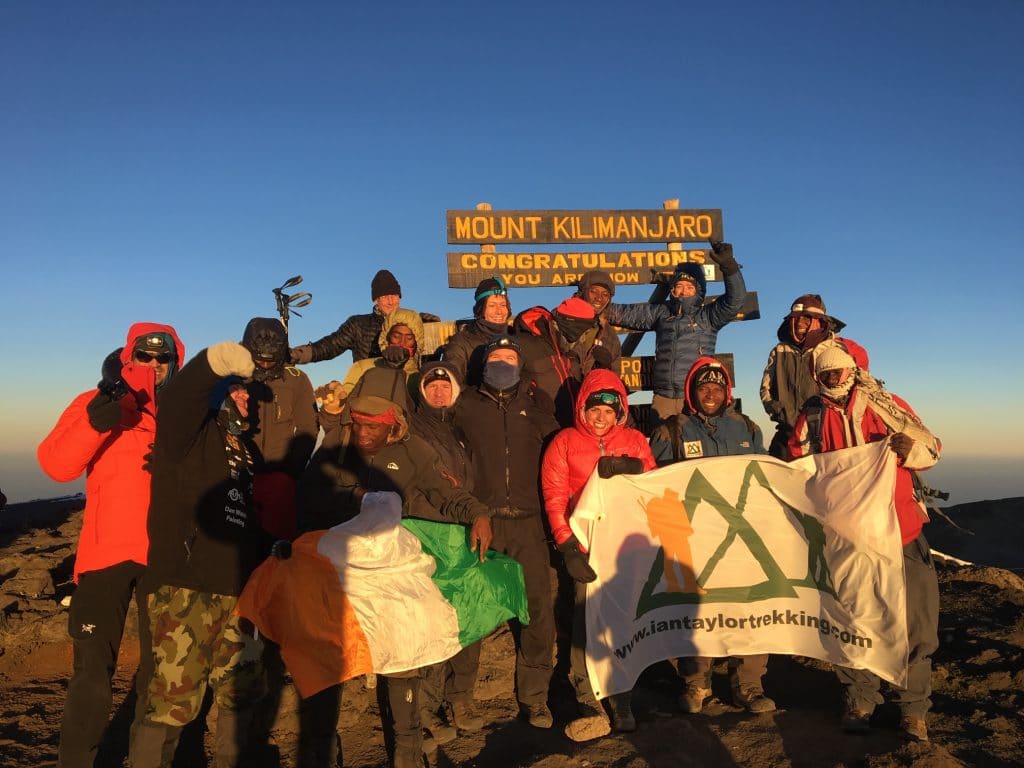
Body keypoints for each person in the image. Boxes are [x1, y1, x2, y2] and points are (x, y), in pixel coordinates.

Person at [298, 374, 494, 768]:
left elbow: (445, 490)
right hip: (337, 568)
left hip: (388, 569)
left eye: (374, 427)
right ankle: (321, 751)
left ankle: (406, 753)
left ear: (393, 427)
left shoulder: (412, 451)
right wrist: (352, 496)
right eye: (359, 425)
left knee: (402, 660)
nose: (364, 433)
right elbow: (308, 494)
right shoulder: (337, 447)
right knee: (329, 661)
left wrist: (477, 512)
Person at [38, 324, 185, 768]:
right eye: (145, 356)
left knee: (163, 676)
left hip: (167, 557)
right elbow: (56, 465)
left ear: (174, 364)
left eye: (164, 359)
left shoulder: (188, 411)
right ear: (128, 357)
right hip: (107, 554)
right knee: (92, 677)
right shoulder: (94, 401)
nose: (154, 366)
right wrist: (95, 422)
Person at [788, 342, 941, 742]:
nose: (834, 379)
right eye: (826, 374)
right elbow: (798, 468)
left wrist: (911, 452)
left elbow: (932, 449)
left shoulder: (886, 405)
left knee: (914, 622)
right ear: (817, 377)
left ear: (853, 369)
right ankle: (860, 698)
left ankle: (913, 709)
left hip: (900, 530)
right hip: (847, 538)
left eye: (839, 371)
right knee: (852, 620)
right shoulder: (812, 416)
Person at [129, 340, 270, 768]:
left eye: (246, 390)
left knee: (238, 691)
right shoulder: (185, 437)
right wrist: (214, 362)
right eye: (235, 388)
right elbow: (177, 400)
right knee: (171, 701)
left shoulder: (246, 451)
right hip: (184, 587)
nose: (246, 395)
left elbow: (242, 518)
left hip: (236, 590)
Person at [648, 357, 775, 715]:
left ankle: (748, 685)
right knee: (695, 611)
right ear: (691, 391)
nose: (710, 393)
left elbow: (764, 477)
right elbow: (650, 484)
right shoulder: (670, 431)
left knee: (748, 607)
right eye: (703, 387)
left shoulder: (747, 428)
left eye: (717, 388)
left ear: (727, 392)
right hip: (694, 539)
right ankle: (696, 683)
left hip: (741, 537)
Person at [541, 368, 656, 741]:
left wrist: (633, 466)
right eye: (594, 410)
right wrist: (567, 545)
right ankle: (586, 693)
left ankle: (621, 696)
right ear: (583, 409)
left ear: (620, 410)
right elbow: (555, 495)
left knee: (623, 620)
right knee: (584, 622)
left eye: (609, 410)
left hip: (624, 546)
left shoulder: (635, 440)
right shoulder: (564, 442)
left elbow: (653, 482)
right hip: (586, 546)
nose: (601, 417)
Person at [454, 335, 561, 729]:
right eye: (495, 357)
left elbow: (563, 459)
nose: (502, 363)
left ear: (520, 367)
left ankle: (535, 698)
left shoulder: (536, 411)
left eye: (509, 358)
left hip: (529, 523)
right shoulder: (463, 406)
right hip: (481, 520)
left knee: (536, 610)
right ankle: (460, 697)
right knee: (472, 608)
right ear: (483, 366)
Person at [409, 362, 485, 744]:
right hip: (430, 531)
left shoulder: (459, 428)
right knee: (434, 621)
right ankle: (426, 708)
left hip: (463, 530)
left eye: (445, 385)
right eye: (431, 386)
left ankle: (461, 698)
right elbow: (422, 484)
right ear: (421, 392)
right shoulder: (412, 428)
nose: (439, 391)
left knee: (467, 616)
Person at [605, 241, 747, 423]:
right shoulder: (661, 313)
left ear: (699, 291)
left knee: (696, 447)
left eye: (690, 287)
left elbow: (736, 300)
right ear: (672, 289)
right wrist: (594, 305)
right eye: (679, 285)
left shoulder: (709, 316)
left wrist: (729, 267)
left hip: (696, 396)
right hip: (663, 398)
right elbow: (626, 314)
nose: (683, 291)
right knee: (665, 445)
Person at [760, 294, 866, 458]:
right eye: (795, 319)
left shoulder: (834, 349)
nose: (800, 323)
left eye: (807, 318)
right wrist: (778, 411)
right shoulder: (780, 350)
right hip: (788, 431)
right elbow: (766, 387)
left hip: (825, 432)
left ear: (819, 321)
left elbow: (856, 386)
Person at [515, 296, 613, 426]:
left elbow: (582, 391)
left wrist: (601, 369)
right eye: (584, 332)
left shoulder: (571, 354)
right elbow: (506, 384)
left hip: (572, 432)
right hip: (537, 430)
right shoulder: (525, 345)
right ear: (573, 328)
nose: (584, 338)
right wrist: (530, 394)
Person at [289, 269, 403, 364]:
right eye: (385, 296)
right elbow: (331, 346)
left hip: (403, 387)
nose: (390, 301)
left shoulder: (413, 323)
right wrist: (297, 354)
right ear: (376, 300)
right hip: (368, 387)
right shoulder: (358, 324)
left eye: (394, 295)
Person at [442, 276, 512, 386]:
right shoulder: (461, 342)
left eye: (503, 305)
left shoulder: (516, 337)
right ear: (481, 309)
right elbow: (452, 384)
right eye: (492, 305)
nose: (499, 311)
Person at [572, 270, 622, 374]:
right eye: (593, 291)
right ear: (582, 292)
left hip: (590, 389)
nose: (599, 298)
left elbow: (614, 380)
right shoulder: (561, 320)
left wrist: (606, 368)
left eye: (605, 294)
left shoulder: (611, 337)